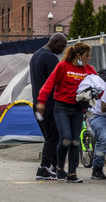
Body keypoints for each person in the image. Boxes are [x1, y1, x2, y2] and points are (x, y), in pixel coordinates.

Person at [35, 42, 97, 183]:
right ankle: (59, 167)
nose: (89, 58)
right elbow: (49, 84)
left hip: (77, 108)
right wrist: (41, 101)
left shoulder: (89, 70)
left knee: (75, 141)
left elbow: (99, 85)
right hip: (61, 108)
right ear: (78, 55)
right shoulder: (63, 66)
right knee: (66, 138)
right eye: (86, 56)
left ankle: (72, 173)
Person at [29, 33, 67, 181]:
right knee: (53, 136)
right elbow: (56, 81)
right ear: (55, 42)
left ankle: (56, 167)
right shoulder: (50, 57)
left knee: (50, 136)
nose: (63, 50)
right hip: (49, 103)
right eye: (62, 46)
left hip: (37, 103)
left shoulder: (36, 55)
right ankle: (44, 168)